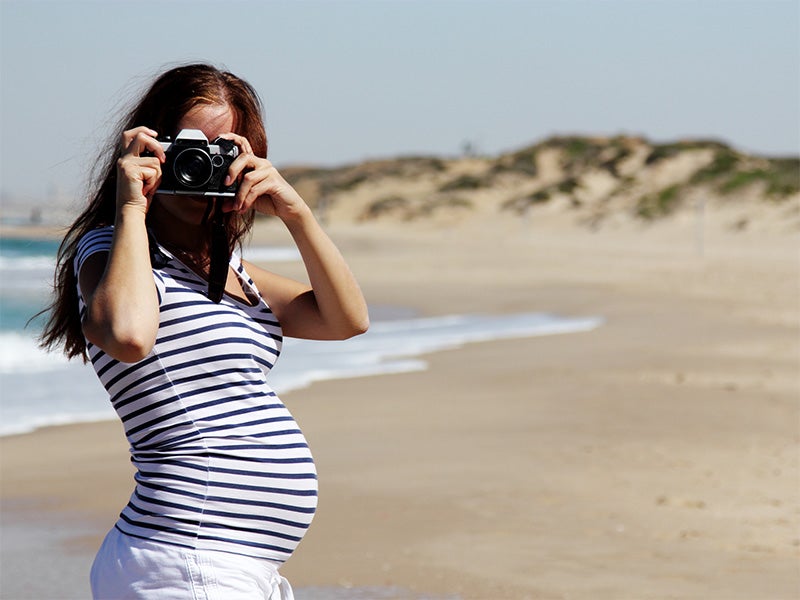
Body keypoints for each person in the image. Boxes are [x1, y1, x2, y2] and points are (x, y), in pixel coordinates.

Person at [39, 63, 369, 599]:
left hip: (226, 564)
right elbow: (126, 335)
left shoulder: (226, 268)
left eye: (223, 151)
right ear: (150, 146)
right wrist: (130, 205)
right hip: (186, 557)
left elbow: (345, 320)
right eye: (187, 148)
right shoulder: (111, 251)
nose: (200, 167)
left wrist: (296, 212)